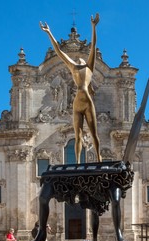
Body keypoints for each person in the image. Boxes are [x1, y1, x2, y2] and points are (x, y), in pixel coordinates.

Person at [40, 13, 102, 163]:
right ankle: (80, 163)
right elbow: (59, 52)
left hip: (81, 99)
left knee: (88, 134)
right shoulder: (79, 67)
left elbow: (93, 46)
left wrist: (94, 27)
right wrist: (49, 32)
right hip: (84, 99)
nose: (78, 57)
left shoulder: (88, 67)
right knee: (81, 134)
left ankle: (95, 160)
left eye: (81, 55)